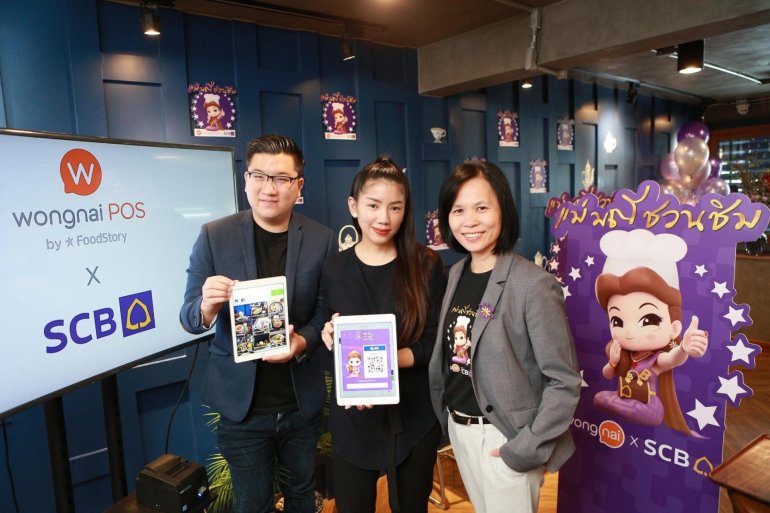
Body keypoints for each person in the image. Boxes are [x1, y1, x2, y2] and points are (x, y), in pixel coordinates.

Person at [180, 134, 335, 513]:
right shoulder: (214, 235)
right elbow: (189, 318)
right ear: (246, 179)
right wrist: (207, 304)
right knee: (252, 504)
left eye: (282, 178)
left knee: (302, 495)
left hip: (299, 402)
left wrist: (301, 342)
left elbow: (324, 313)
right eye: (259, 176)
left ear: (299, 184)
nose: (269, 188)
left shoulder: (321, 239)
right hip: (242, 408)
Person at [428, 160, 581, 513]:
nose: (469, 221)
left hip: (504, 437)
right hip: (461, 430)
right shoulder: (456, 273)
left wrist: (525, 447)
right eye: (458, 210)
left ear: (503, 210)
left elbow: (564, 381)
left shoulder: (533, 284)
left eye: (482, 208)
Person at [319, 157, 446, 513]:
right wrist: (329, 336)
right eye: (373, 205)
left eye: (395, 207)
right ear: (353, 206)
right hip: (353, 420)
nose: (384, 218)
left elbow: (437, 342)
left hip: (414, 415)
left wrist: (384, 365)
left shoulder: (426, 264)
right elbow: (326, 340)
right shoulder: (333, 268)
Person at [593, 229, 708, 436]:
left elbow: (672, 359)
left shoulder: (655, 359)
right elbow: (607, 373)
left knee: (646, 412)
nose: (629, 331)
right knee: (600, 397)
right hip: (625, 397)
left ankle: (631, 412)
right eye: (617, 321)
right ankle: (625, 411)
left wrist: (684, 348)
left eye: (648, 320)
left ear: (674, 327)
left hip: (648, 404)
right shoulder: (623, 353)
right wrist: (613, 361)